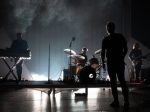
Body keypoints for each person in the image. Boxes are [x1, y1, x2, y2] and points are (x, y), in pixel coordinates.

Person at [101, 21, 129, 108]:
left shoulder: (106, 39)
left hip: (111, 63)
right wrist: (122, 57)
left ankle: (116, 101)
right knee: (122, 81)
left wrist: (103, 62)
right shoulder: (120, 37)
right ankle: (126, 102)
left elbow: (103, 52)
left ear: (107, 29)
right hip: (119, 62)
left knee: (113, 82)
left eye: (107, 28)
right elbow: (126, 49)